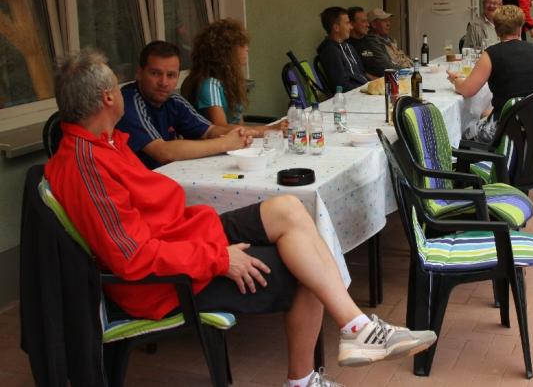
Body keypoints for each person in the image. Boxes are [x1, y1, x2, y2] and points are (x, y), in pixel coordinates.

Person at [45, 49, 437, 387]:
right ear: (107, 98)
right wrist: (219, 258)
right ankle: (308, 375)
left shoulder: (105, 144)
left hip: (185, 235)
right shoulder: (85, 165)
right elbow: (132, 256)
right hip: (167, 279)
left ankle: (356, 328)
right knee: (307, 268)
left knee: (290, 208)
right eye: (118, 86)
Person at [448, 5, 533, 142]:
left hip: (506, 129)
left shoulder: (491, 55)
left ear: (496, 29)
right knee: (485, 113)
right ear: (520, 28)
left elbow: (468, 90)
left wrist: (456, 80)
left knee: (463, 133)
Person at [117, 41, 252, 169]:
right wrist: (225, 143)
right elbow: (163, 152)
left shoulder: (173, 100)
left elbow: (209, 131)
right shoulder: (127, 103)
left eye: (171, 75)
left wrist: (242, 134)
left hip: (168, 176)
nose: (163, 82)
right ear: (139, 73)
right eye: (155, 73)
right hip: (140, 182)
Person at [181, 19, 287, 135]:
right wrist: (269, 129)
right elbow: (221, 129)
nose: (247, 48)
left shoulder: (231, 81)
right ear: (226, 51)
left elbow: (239, 125)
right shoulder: (210, 85)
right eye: (241, 44)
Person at [316, 7, 369, 91]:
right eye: (347, 23)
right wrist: (366, 89)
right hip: (354, 94)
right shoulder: (330, 51)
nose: (351, 27)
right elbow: (341, 86)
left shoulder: (349, 47)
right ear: (336, 28)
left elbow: (362, 73)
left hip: (364, 89)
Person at [350, 8, 412, 78]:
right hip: (381, 79)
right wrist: (409, 71)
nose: (367, 25)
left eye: (367, 21)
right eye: (384, 21)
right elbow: (385, 66)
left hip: (394, 76)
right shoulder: (369, 42)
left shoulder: (374, 41)